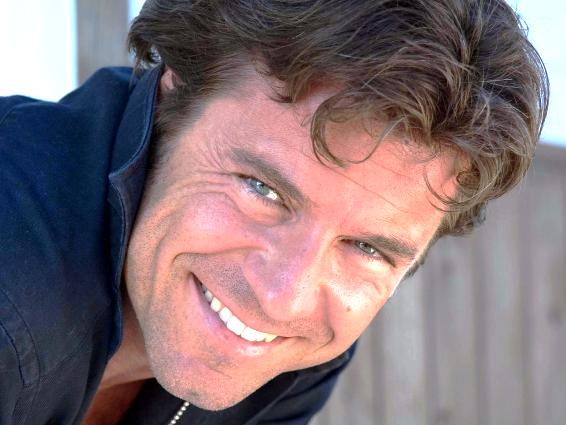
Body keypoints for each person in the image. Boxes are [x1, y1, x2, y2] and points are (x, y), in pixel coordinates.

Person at [0, 0, 548, 424]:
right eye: (262, 189)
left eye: (365, 248)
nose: (284, 298)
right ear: (174, 88)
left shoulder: (298, 357)